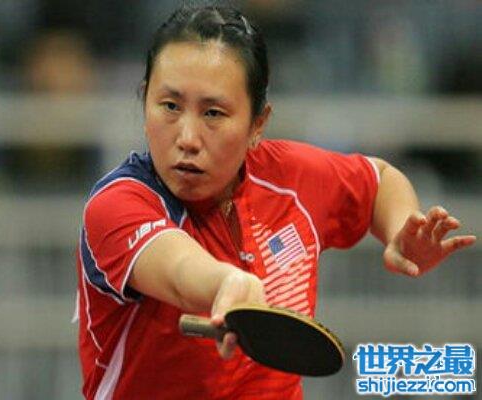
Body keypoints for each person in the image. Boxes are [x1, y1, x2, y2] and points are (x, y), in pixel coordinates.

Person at [75, 5, 476, 400]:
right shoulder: (117, 205)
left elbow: (380, 180)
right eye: (170, 106)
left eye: (213, 113)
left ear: (257, 125)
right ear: (144, 101)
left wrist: (401, 227)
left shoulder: (289, 179)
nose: (187, 138)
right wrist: (228, 282)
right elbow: (178, 267)